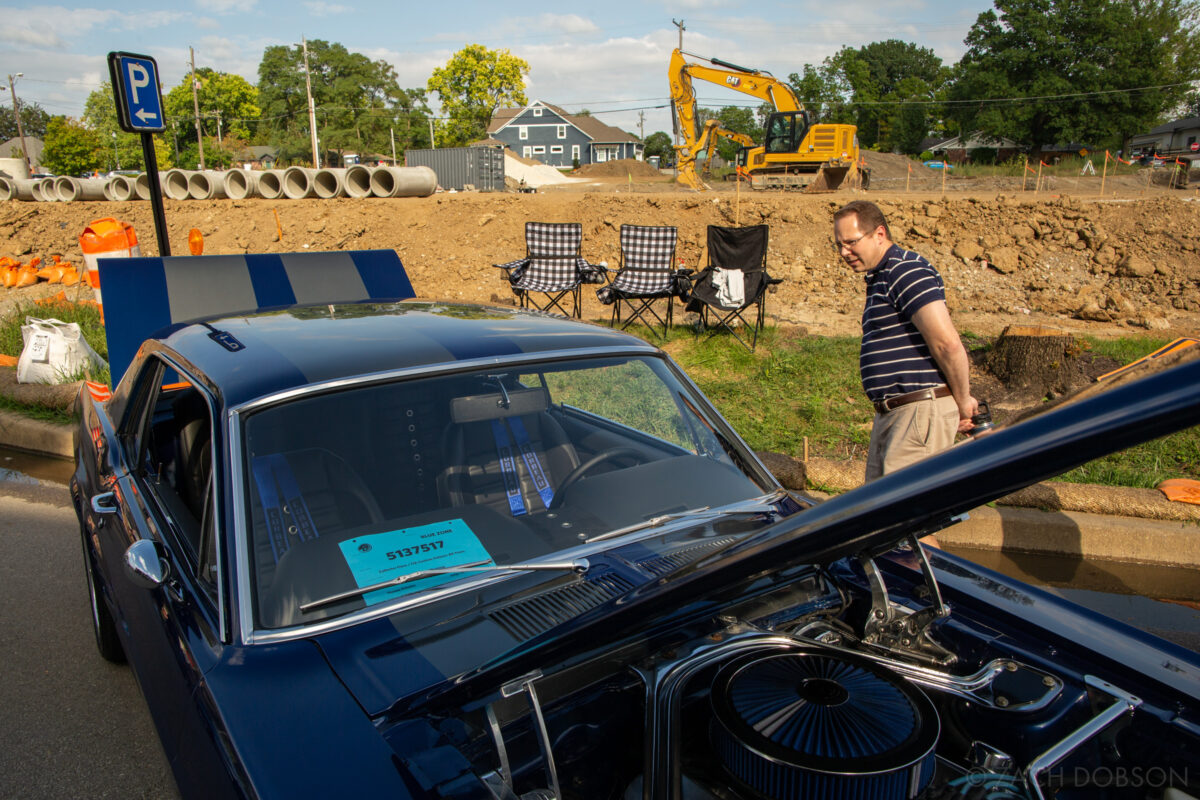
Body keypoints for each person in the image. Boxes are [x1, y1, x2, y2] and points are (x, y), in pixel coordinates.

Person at [833, 200, 979, 486]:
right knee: (880, 515)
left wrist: (963, 401)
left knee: (904, 519)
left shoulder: (906, 270)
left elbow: (946, 343)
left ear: (879, 234)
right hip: (896, 413)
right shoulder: (882, 276)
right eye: (838, 244)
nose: (843, 252)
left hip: (917, 412)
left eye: (851, 242)